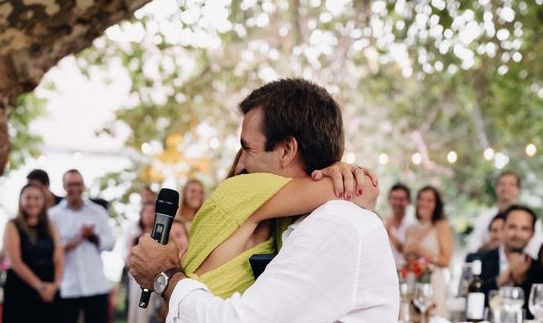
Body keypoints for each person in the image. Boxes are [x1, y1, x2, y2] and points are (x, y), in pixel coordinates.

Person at [129, 78, 398, 322]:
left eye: (248, 148)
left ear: (286, 150)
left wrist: (165, 275)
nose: (239, 167)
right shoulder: (293, 220)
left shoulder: (334, 224)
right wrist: (354, 185)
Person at [49, 169, 115, 323]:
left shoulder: (98, 212)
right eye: (70, 184)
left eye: (78, 184)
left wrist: (93, 237)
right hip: (68, 287)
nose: (74, 188)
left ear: (83, 186)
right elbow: (52, 249)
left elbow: (110, 243)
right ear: (64, 187)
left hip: (96, 285)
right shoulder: (53, 215)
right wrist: (79, 238)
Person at [475, 205, 543, 317]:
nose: (517, 234)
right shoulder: (478, 260)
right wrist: (501, 279)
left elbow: (537, 312)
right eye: (512, 227)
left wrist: (520, 279)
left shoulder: (537, 268)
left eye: (525, 229)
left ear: (532, 234)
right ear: (503, 229)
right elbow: (471, 301)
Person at [2, 183, 63, 323]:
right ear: (21, 200)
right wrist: (39, 287)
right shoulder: (12, 225)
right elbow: (16, 262)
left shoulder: (51, 226)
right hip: (21, 288)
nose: (32, 202)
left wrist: (55, 285)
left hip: (49, 287)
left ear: (43, 201)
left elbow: (59, 257)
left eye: (37, 198)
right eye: (28, 198)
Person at [467, 170, 543, 257]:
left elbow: (536, 249)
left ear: (518, 189)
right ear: (496, 188)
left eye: (511, 184)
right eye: (502, 184)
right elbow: (473, 246)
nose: (506, 188)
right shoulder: (484, 217)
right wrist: (492, 245)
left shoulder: (530, 219)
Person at [402, 185, 453, 319]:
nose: (424, 203)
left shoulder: (441, 226)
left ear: (436, 204)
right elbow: (406, 258)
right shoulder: (410, 228)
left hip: (433, 280)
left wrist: (422, 251)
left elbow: (446, 260)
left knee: (434, 316)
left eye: (429, 200)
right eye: (421, 199)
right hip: (413, 279)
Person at [128, 198, 160, 323]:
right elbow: (129, 260)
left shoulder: (161, 237)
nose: (148, 215)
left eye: (152, 212)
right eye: (146, 212)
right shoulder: (135, 237)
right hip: (137, 280)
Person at [384, 182, 414, 268]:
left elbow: (406, 252)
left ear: (408, 201)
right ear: (389, 200)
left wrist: (389, 230)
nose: (397, 202)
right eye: (394, 198)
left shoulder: (413, 225)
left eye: (401, 199)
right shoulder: (382, 223)